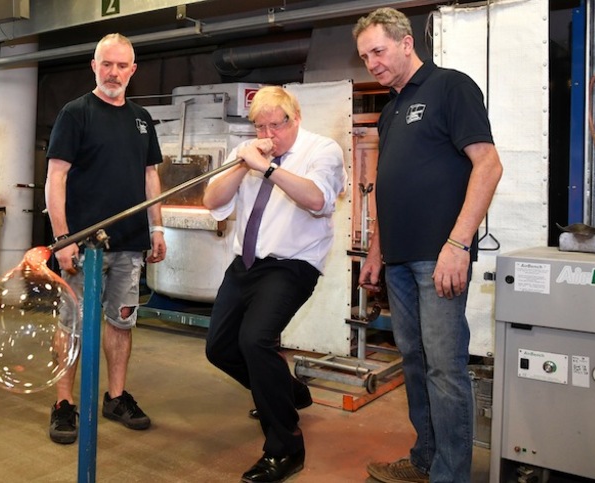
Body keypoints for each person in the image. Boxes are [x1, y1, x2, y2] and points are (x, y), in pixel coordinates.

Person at [353, 8, 503, 483]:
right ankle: (425, 461)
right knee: (416, 365)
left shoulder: (450, 87)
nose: (371, 63)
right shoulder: (391, 109)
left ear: (405, 42)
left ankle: (450, 475)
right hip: (398, 260)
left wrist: (458, 244)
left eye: (378, 51)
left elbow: (489, 165)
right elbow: (388, 186)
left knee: (444, 368)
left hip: (439, 258)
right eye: (364, 56)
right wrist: (377, 249)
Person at [203, 86, 346, 482]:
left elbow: (317, 200)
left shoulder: (322, 150)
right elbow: (213, 202)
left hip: (292, 263)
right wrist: (241, 165)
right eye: (260, 126)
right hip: (246, 262)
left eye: (276, 125)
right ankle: (289, 393)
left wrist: (267, 168)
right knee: (218, 348)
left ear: (295, 117)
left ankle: (285, 447)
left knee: (255, 340)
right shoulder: (248, 152)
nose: (268, 134)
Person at [44, 33, 166, 444]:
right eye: (106, 64)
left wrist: (158, 227)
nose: (114, 72)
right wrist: (62, 239)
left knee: (121, 321)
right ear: (93, 66)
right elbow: (55, 177)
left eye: (122, 66)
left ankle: (115, 397)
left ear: (133, 70)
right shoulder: (75, 114)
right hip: (82, 247)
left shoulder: (141, 118)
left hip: (129, 243)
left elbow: (151, 176)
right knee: (72, 324)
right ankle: (64, 403)